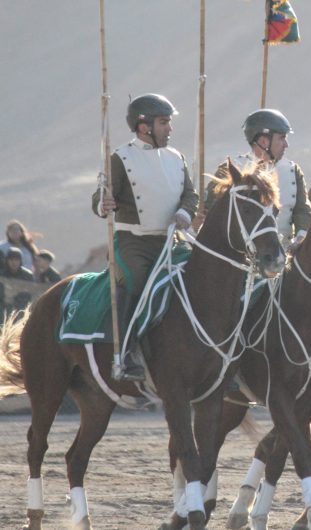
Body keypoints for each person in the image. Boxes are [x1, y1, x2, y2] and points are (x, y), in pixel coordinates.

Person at [92, 93, 199, 381]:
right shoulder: (121, 157)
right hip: (133, 242)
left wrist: (185, 214)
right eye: (164, 122)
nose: (170, 128)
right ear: (143, 127)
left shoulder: (177, 158)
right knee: (138, 278)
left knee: (203, 276)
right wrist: (104, 203)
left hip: (170, 241)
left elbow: (191, 195)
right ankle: (124, 353)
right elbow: (100, 196)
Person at [204, 109, 311, 254]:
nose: (286, 144)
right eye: (281, 138)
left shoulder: (293, 170)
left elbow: (303, 212)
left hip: (282, 254)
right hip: (238, 258)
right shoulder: (230, 169)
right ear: (263, 141)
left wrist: (301, 237)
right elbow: (209, 211)